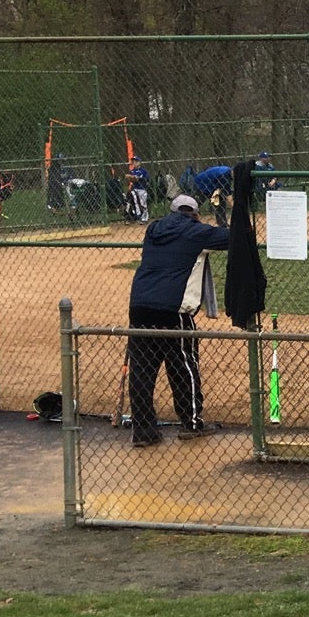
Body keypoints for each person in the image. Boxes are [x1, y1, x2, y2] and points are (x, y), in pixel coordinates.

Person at [125, 193, 229, 446]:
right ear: (194, 214)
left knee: (141, 370)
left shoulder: (153, 230)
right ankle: (191, 423)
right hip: (173, 310)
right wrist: (227, 209)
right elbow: (231, 237)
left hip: (140, 305)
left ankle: (143, 431)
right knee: (183, 366)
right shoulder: (196, 232)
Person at [124, 158, 150, 223]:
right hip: (135, 189)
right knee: (136, 202)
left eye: (136, 161)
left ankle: (145, 218)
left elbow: (146, 179)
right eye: (133, 162)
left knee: (143, 203)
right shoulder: (132, 171)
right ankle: (138, 217)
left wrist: (134, 177)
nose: (134, 163)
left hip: (142, 189)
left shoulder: (143, 171)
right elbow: (129, 178)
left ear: (139, 163)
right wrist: (132, 177)